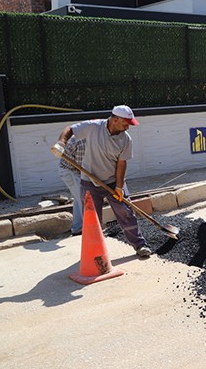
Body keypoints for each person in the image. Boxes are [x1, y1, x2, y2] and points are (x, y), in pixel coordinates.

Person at [51, 105, 152, 258]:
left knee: (126, 212)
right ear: (115, 119)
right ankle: (95, 254)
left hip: (113, 181)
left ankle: (140, 245)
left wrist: (119, 187)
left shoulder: (125, 139)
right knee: (92, 220)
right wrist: (61, 143)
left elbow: (121, 164)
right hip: (89, 183)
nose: (128, 127)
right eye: (126, 123)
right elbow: (70, 129)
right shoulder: (93, 127)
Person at [58, 136, 86, 236]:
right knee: (83, 200)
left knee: (78, 199)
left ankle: (77, 228)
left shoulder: (86, 135)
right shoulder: (83, 142)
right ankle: (90, 229)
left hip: (74, 170)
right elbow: (80, 166)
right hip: (70, 171)